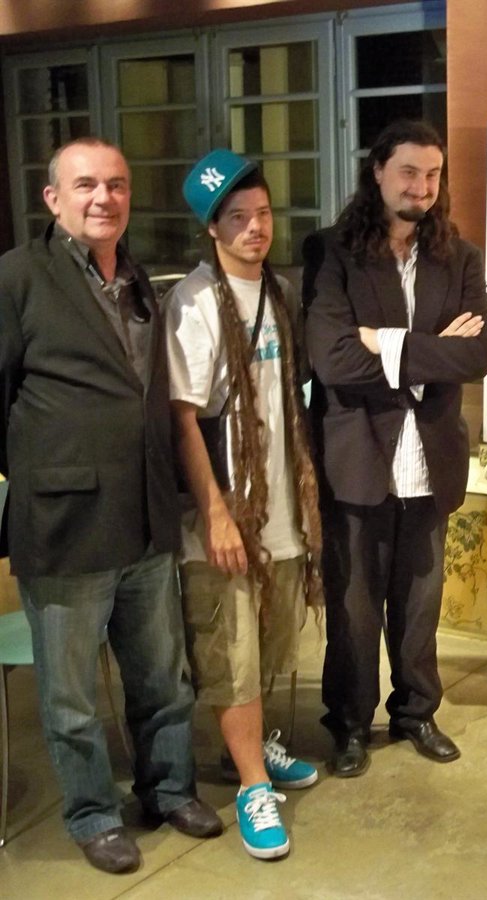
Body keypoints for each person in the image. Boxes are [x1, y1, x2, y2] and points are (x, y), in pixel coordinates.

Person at [0, 138, 221, 874]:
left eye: (117, 184)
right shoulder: (18, 277)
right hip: (64, 524)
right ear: (53, 198)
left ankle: (169, 790)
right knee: (70, 698)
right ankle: (93, 813)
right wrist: (39, 474)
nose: (104, 198)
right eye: (87, 184)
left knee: (163, 676)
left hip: (146, 516)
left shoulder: (138, 276)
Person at [304, 120, 487, 776]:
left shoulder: (459, 257)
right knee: (354, 608)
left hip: (430, 457)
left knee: (420, 604)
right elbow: (332, 359)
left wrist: (382, 343)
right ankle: (349, 723)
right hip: (357, 456)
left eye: (433, 174)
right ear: (379, 171)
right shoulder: (332, 252)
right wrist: (432, 351)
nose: (422, 186)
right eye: (409, 172)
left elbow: (479, 353)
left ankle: (416, 712)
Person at [168, 149, 325, 860]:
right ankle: (252, 785)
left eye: (262, 214)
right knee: (231, 650)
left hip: (282, 504)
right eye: (237, 217)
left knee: (270, 638)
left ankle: (254, 748)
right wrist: (215, 514)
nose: (255, 228)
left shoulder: (280, 292)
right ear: (212, 228)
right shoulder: (195, 302)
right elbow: (182, 417)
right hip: (226, 510)